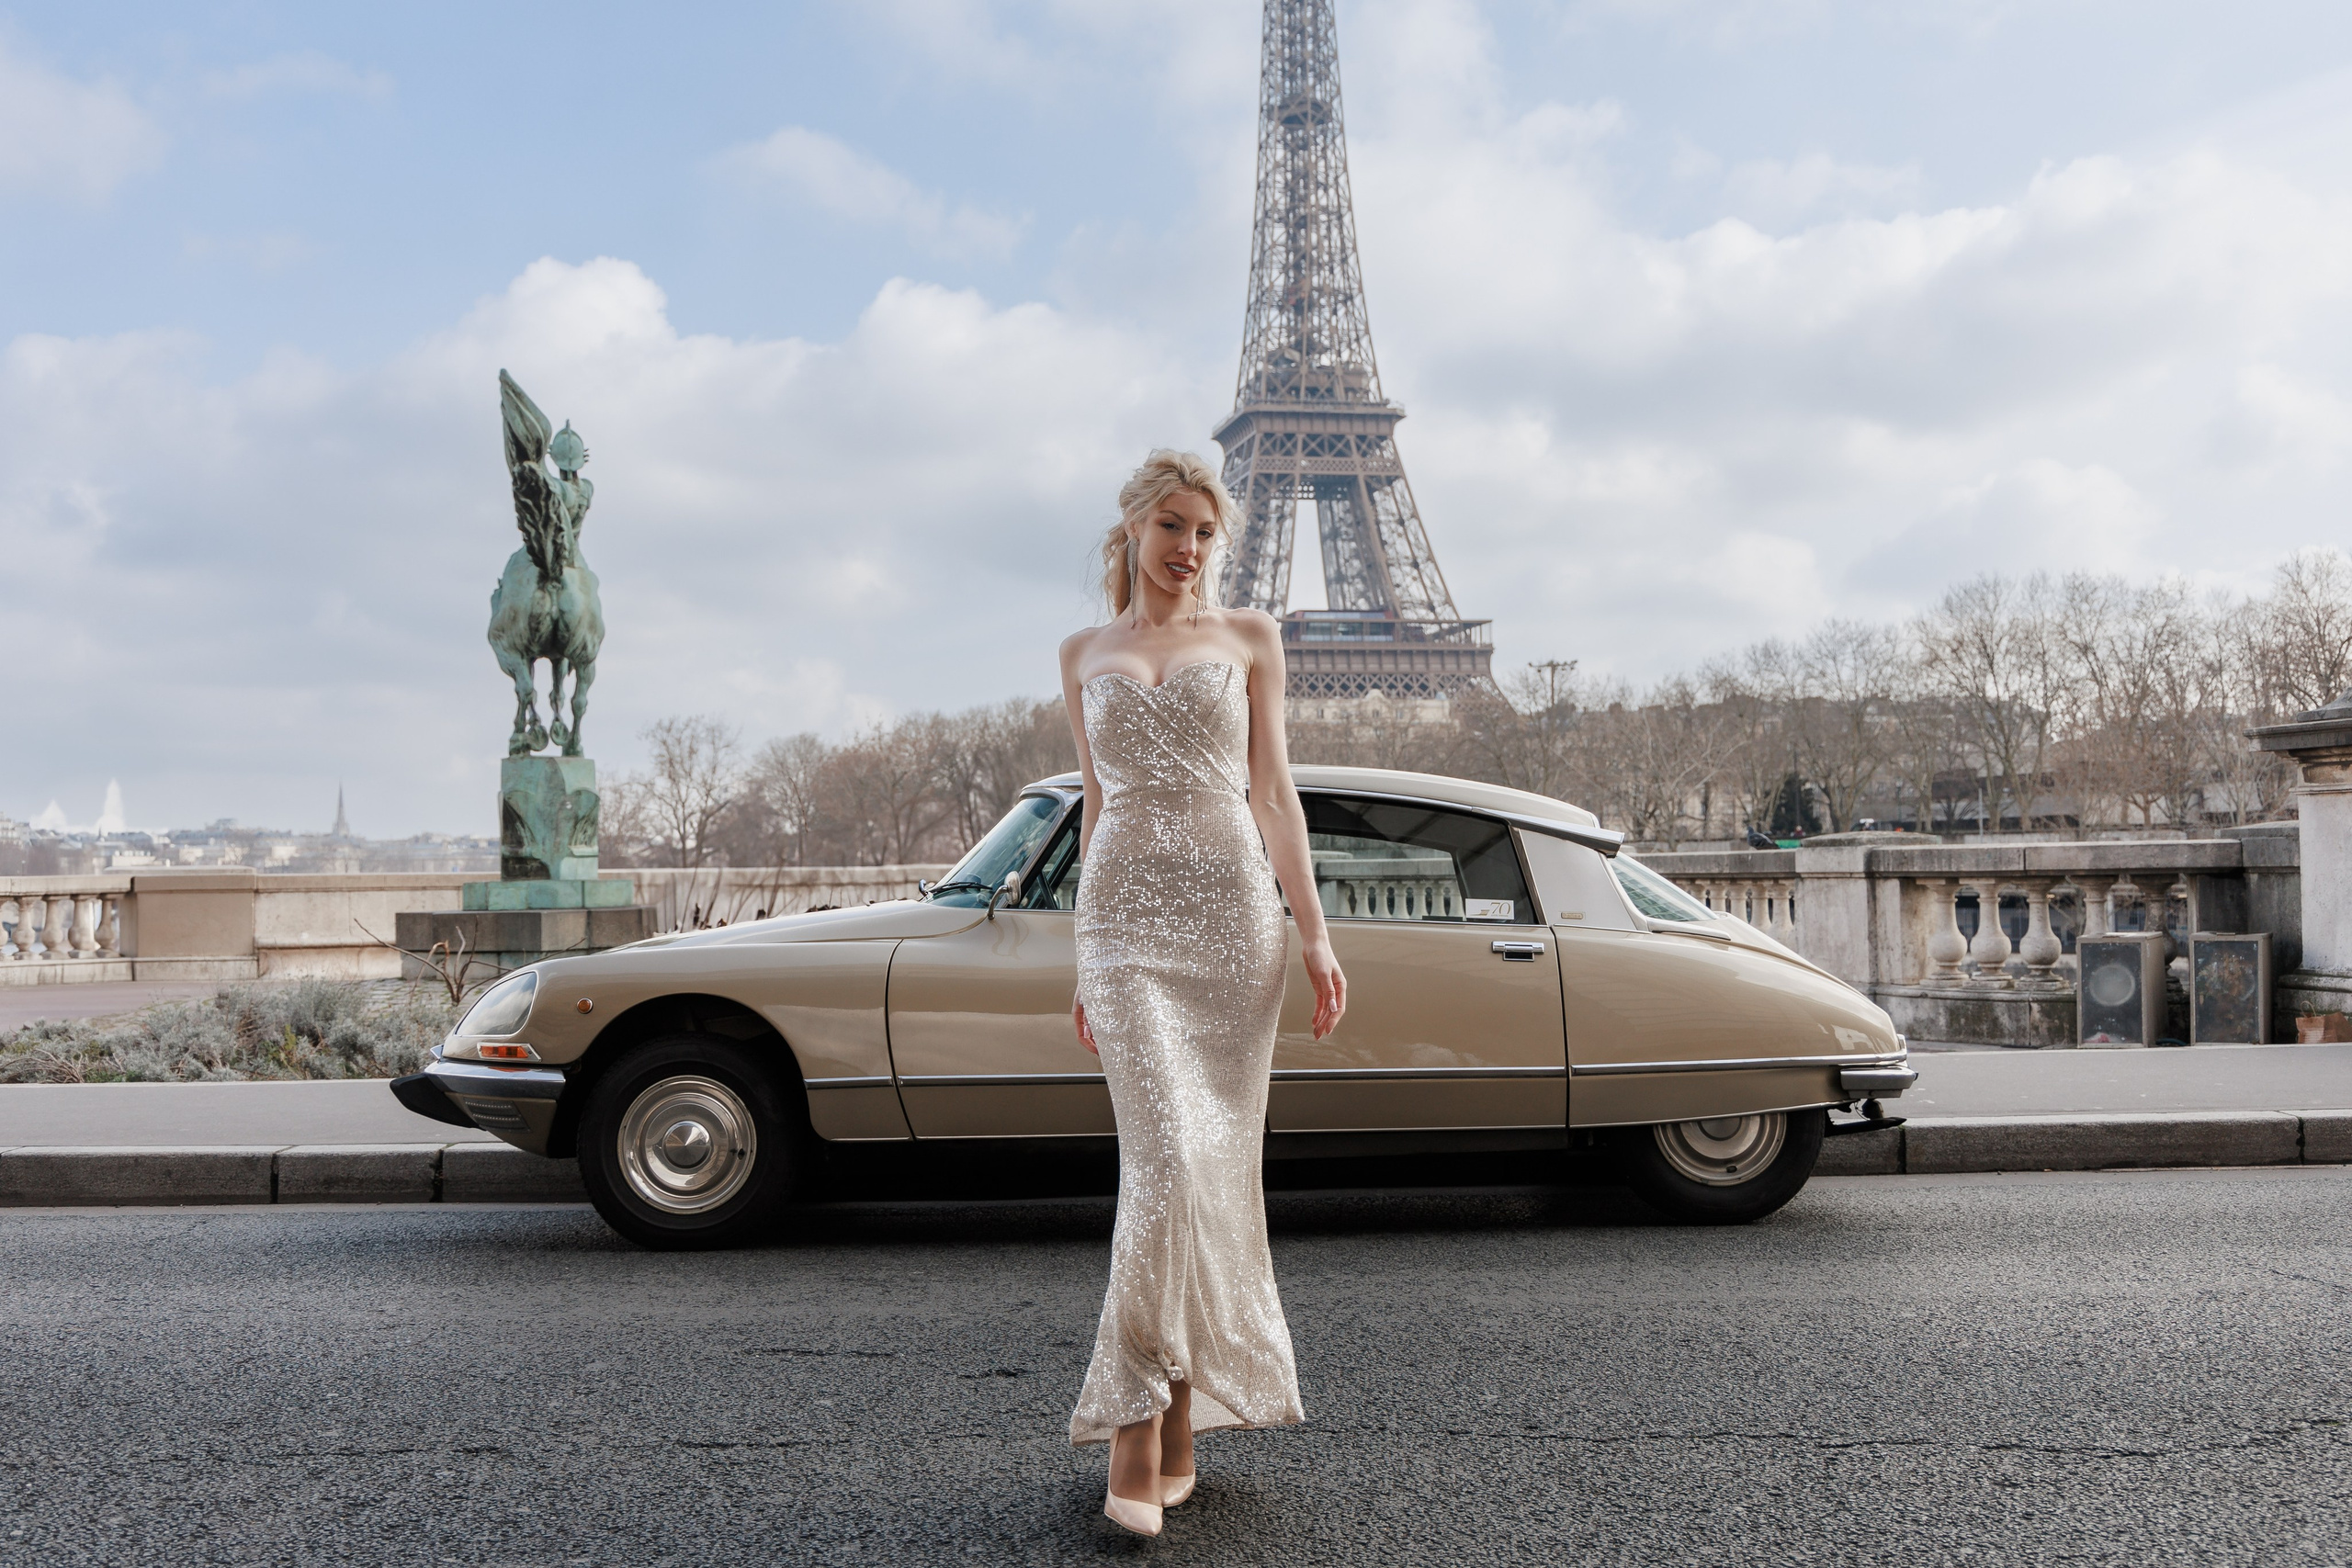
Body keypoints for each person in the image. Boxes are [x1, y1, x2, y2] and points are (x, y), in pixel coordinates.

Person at [1057, 449, 1348, 1537]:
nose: (1187, 549)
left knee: (1206, 1172)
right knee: (1166, 1160)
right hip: (1126, 924)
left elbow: (1274, 795)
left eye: (1204, 533)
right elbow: (1094, 809)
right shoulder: (1082, 653)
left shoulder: (1249, 639)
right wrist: (1083, 961)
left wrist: (1313, 937)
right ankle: (1137, 1423)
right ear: (1132, 526)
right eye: (1171, 525)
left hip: (1232, 922)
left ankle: (1175, 1422)